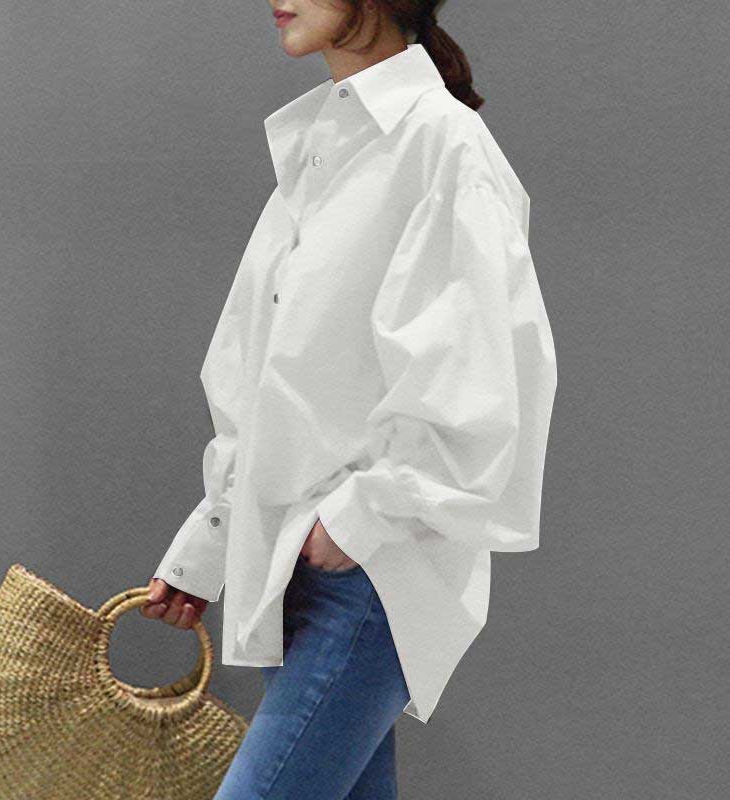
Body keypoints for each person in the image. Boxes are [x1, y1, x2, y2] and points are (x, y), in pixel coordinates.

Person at [141, 1, 557, 797]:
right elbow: (264, 371)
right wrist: (214, 538)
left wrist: (362, 518)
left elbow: (482, 374)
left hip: (373, 574)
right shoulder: (323, 144)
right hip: (293, 566)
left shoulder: (440, 144)